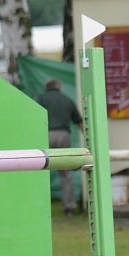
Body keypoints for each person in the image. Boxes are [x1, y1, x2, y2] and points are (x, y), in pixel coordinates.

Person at [35, 78, 83, 216]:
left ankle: (40, 207)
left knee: (40, 170)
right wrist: (89, 139)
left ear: (46, 88)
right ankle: (69, 208)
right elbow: (80, 122)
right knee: (65, 174)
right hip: (64, 136)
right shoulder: (67, 100)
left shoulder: (40, 98)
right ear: (59, 87)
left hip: (46, 136)